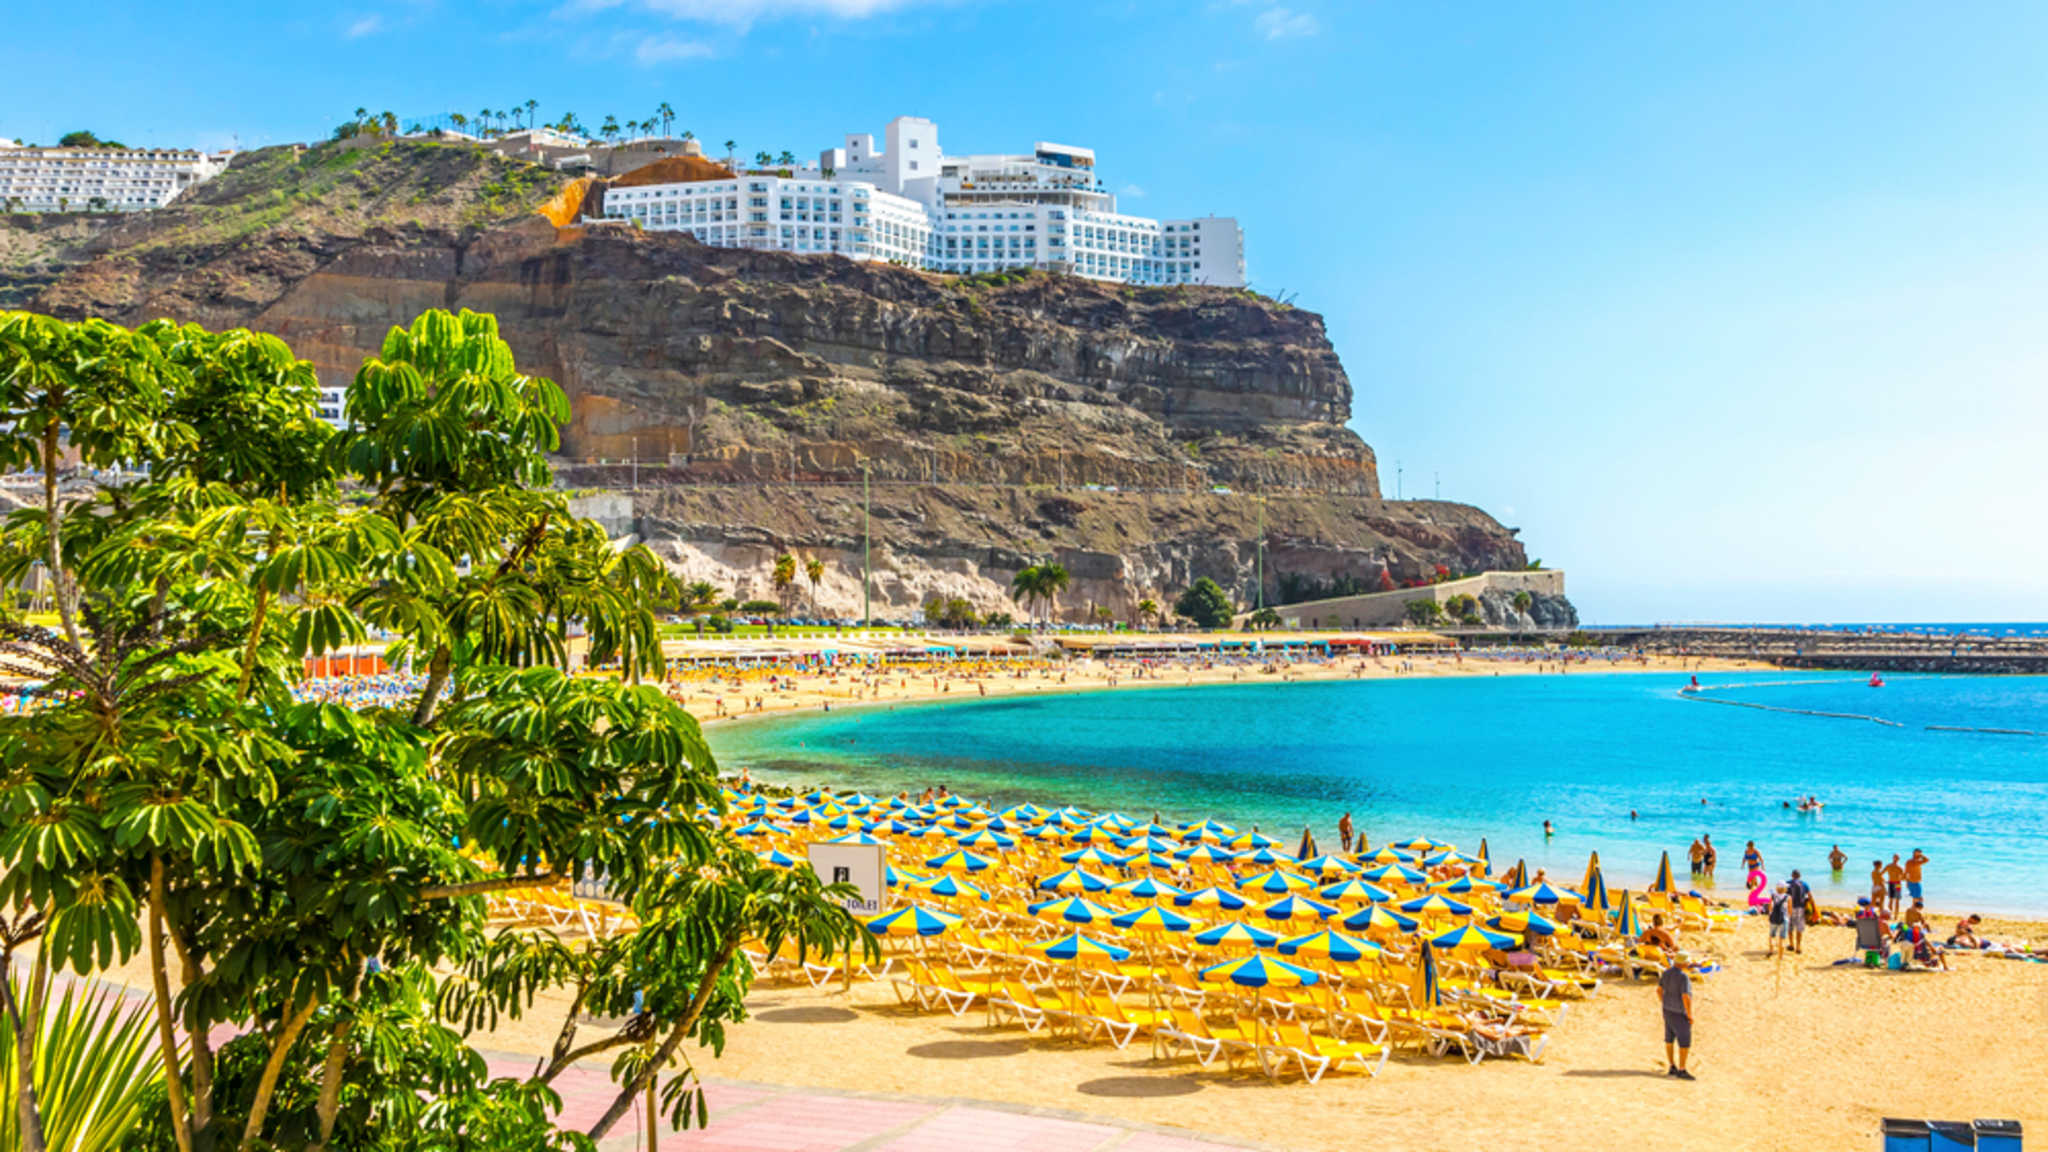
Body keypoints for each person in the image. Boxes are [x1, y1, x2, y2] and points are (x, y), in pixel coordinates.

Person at [1657, 955, 1695, 1079]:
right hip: (1679, 1012)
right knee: (1684, 1042)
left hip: (1667, 1010)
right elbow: (1685, 997)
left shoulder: (1666, 972)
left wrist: (1664, 1002)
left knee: (1669, 1039)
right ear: (1683, 963)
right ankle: (1682, 1069)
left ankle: (1672, 1065)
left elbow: (1659, 990)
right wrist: (1689, 1014)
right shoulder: (1683, 977)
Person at [1784, 869, 1811, 953]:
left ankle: (1791, 945)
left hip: (1790, 907)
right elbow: (1810, 896)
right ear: (1799, 876)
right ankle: (1798, 947)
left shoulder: (1787, 883)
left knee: (1790, 927)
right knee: (1799, 927)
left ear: (1792, 875)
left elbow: (1783, 895)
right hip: (1800, 908)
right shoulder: (1805, 884)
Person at [1766, 883, 1790, 958]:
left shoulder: (1773, 896)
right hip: (1784, 918)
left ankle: (1771, 950)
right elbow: (1790, 909)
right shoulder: (1788, 897)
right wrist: (1788, 918)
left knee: (1772, 935)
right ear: (1785, 888)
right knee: (1782, 938)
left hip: (1773, 917)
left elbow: (1770, 907)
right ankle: (1781, 956)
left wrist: (1770, 915)